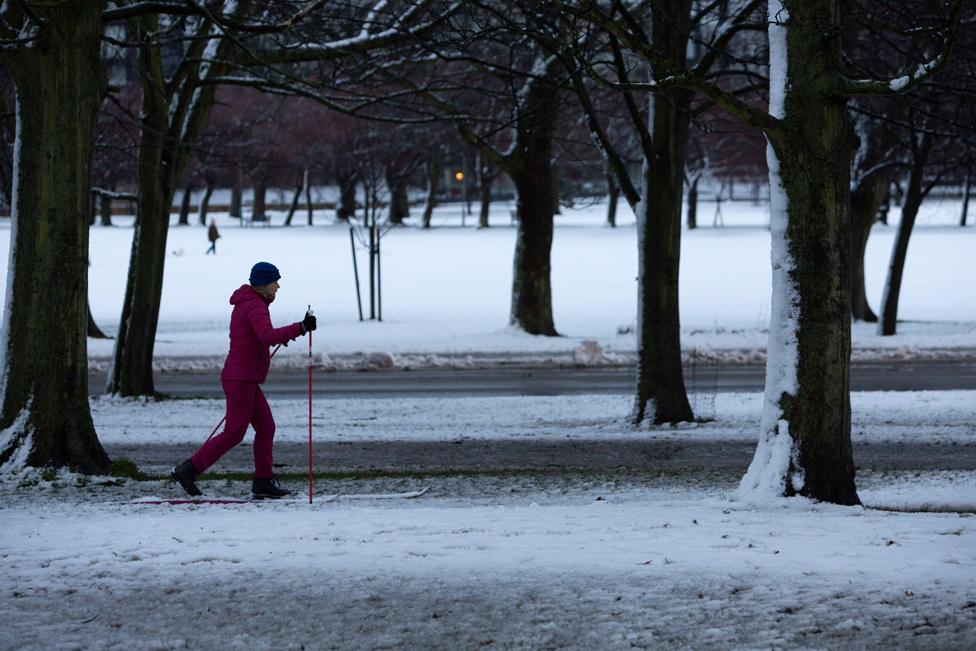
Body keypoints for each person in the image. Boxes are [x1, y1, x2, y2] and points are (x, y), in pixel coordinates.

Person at [171, 262, 317, 499]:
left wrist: (290, 332)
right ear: (262, 284)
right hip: (241, 379)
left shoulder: (250, 303)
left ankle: (262, 481)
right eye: (274, 281)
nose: (278, 286)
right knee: (234, 433)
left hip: (244, 378)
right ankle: (188, 470)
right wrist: (300, 327)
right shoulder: (255, 306)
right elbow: (266, 335)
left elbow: (259, 338)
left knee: (266, 427)